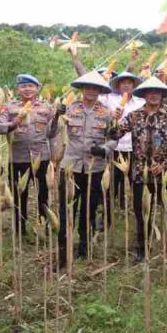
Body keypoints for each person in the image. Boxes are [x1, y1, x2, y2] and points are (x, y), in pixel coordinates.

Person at [109, 77, 167, 264]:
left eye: (157, 92)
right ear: (143, 95)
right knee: (143, 214)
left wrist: (164, 164)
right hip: (140, 174)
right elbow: (114, 134)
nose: (153, 95)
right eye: (149, 92)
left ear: (162, 95)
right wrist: (115, 120)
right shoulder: (134, 116)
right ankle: (143, 249)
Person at [58, 71, 116, 266]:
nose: (91, 91)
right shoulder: (68, 109)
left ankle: (84, 248)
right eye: (88, 87)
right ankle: (63, 250)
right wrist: (55, 115)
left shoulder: (107, 113)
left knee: (89, 209)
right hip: (70, 168)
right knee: (67, 210)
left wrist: (104, 149)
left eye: (95, 88)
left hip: (95, 169)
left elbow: (114, 139)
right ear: (82, 89)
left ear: (100, 91)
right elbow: (51, 131)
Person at [0, 74, 58, 237]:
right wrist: (14, 123)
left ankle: (44, 228)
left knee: (43, 194)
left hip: (41, 157)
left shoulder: (47, 107)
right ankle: (20, 230)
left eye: (31, 86)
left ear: (37, 88)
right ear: (18, 88)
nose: (27, 89)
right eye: (23, 86)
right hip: (17, 158)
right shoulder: (9, 107)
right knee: (19, 195)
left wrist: (56, 119)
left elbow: (52, 133)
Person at [102, 71, 144, 226]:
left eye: (129, 82)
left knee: (136, 185)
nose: (126, 85)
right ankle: (107, 219)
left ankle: (139, 219)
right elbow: (97, 99)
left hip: (135, 150)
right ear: (118, 86)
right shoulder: (109, 99)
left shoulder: (140, 102)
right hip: (115, 148)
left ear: (133, 86)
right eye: (123, 82)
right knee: (111, 186)